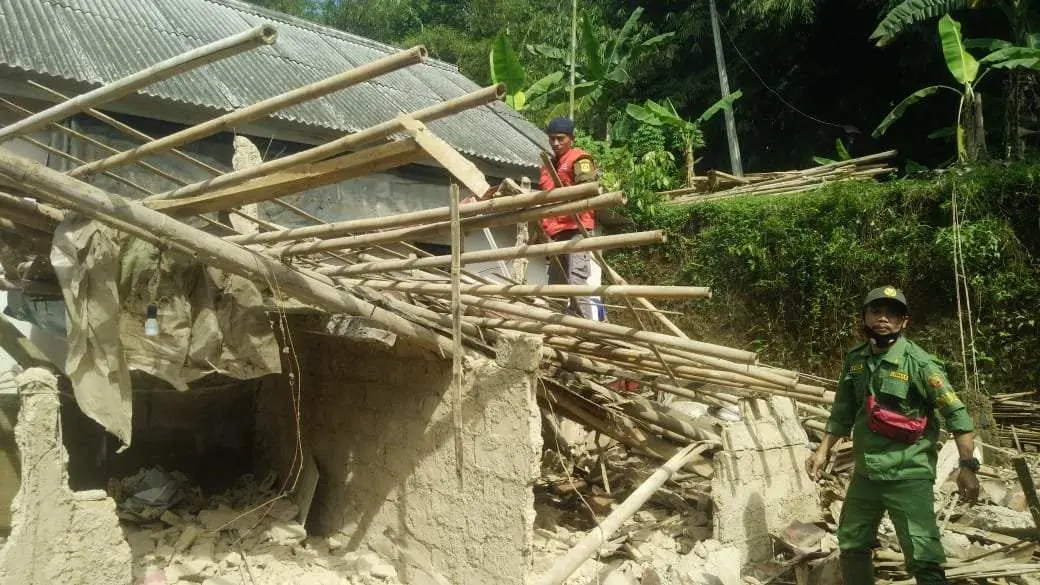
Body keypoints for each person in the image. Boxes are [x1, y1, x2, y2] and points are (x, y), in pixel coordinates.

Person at [806, 286, 980, 585]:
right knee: (852, 544)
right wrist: (822, 450)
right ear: (864, 317)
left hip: (908, 474)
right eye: (876, 311)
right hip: (866, 474)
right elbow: (842, 411)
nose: (883, 318)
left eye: (892, 313)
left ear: (904, 322)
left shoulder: (920, 364)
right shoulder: (856, 360)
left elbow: (958, 416)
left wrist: (968, 467)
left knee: (923, 556)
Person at [538, 117, 600, 319]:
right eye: (552, 139)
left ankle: (587, 328)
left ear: (571, 139)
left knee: (575, 280)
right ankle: (555, 328)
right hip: (555, 232)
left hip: (576, 229)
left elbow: (588, 188)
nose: (555, 143)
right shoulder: (547, 165)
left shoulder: (580, 160)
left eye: (560, 138)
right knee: (555, 284)